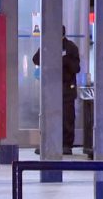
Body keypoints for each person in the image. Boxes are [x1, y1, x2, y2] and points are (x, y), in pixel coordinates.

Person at [33, 25, 80, 155]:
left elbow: (76, 68)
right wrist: (44, 50)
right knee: (48, 116)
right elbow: (35, 59)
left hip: (66, 89)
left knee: (67, 117)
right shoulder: (47, 45)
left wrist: (64, 59)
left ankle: (66, 144)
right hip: (50, 89)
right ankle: (47, 143)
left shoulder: (71, 47)